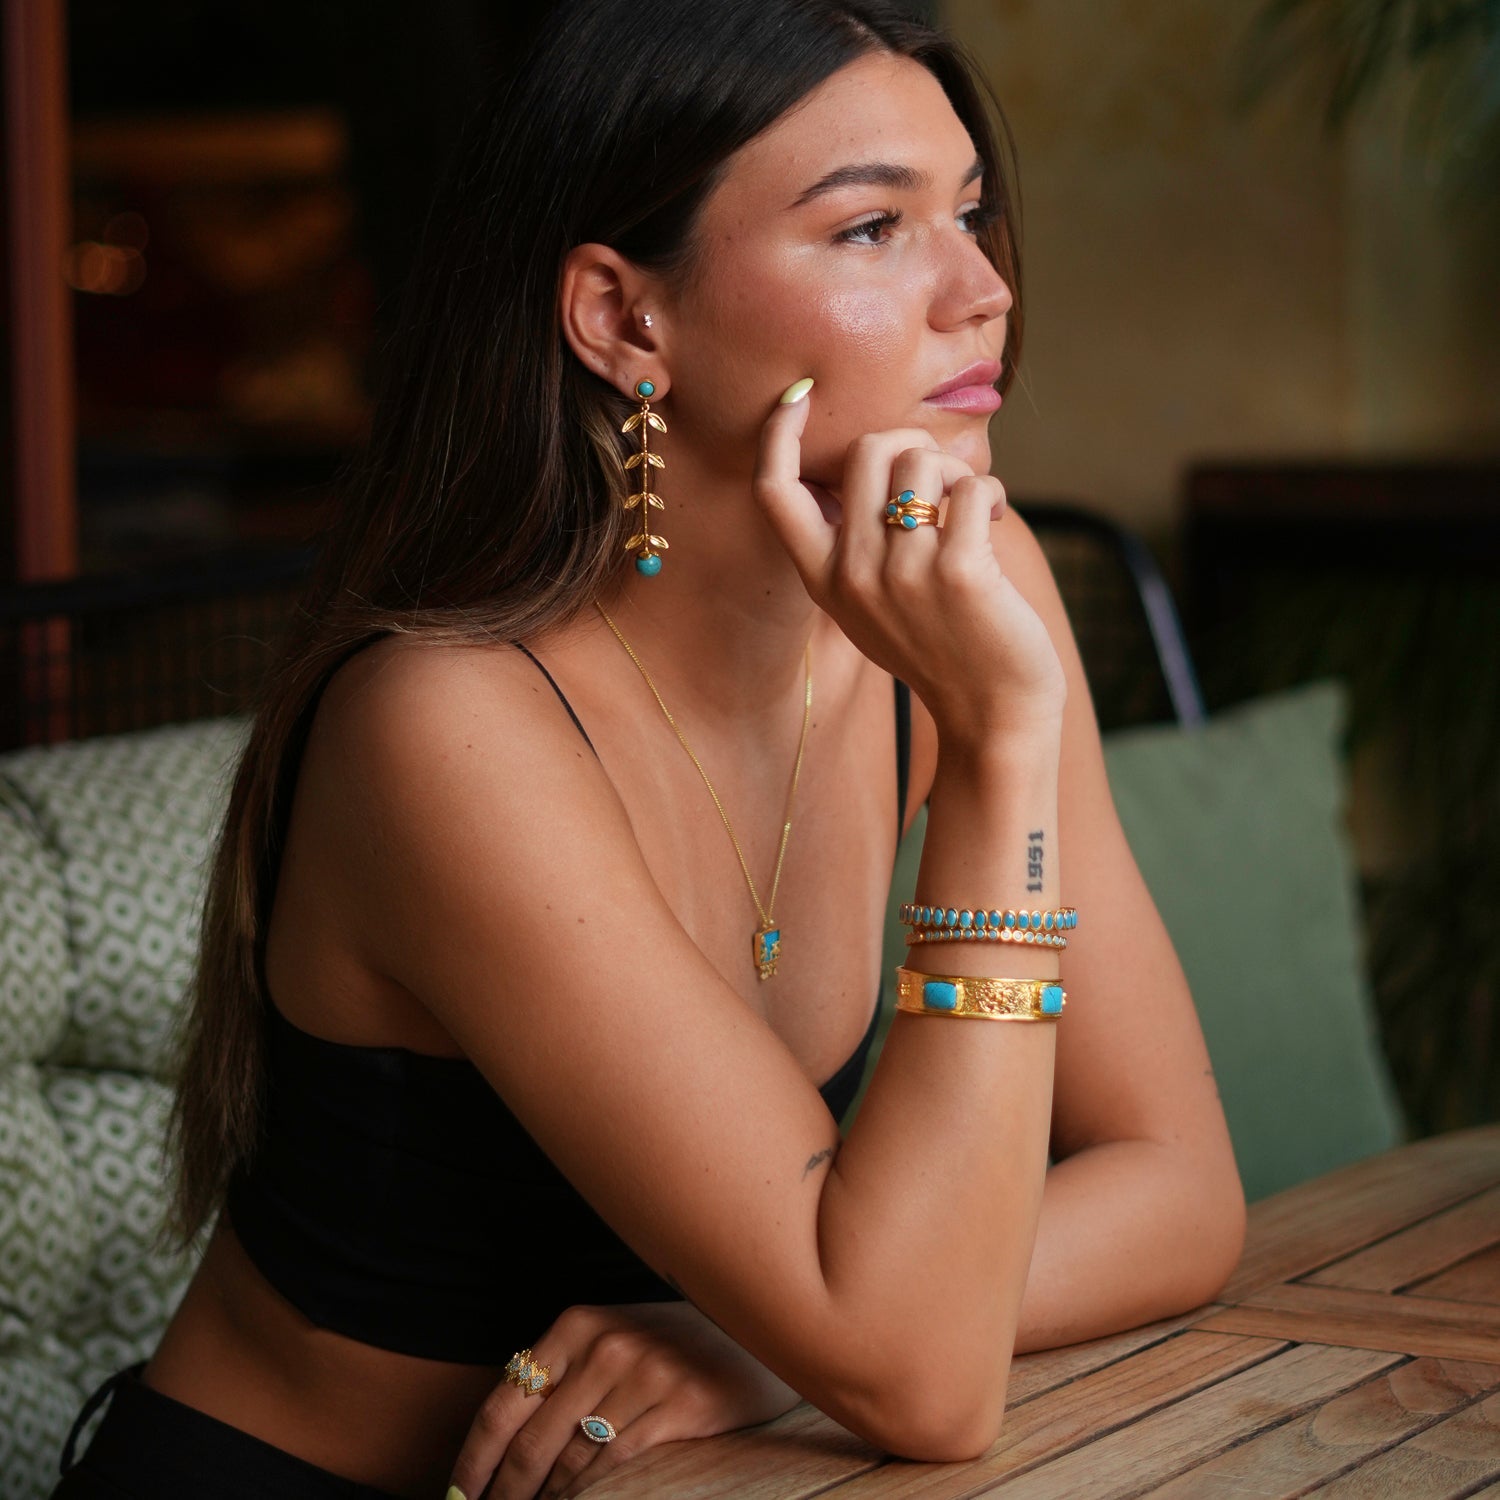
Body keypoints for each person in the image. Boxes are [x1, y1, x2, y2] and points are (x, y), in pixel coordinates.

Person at [51, 0, 1246, 1496]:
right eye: (872, 229)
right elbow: (925, 1381)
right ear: (625, 319)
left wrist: (754, 1344)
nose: (982, 289)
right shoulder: (444, 727)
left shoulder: (968, 593)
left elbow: (1180, 1192)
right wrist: (1001, 749)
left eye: (971, 211)